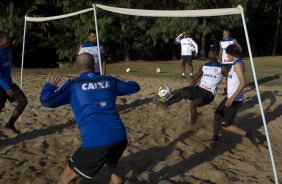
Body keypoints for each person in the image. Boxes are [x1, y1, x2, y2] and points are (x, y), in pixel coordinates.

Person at [40, 53, 140, 184]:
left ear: (76, 66)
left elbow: (46, 100)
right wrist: (120, 82)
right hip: (120, 137)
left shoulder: (72, 85)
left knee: (65, 179)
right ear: (94, 66)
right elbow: (135, 86)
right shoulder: (109, 80)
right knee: (113, 169)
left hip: (96, 141)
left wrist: (49, 86)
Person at [153, 49, 227, 126]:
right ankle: (166, 104)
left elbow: (230, 76)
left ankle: (193, 125)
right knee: (184, 92)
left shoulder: (222, 68)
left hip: (209, 94)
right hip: (199, 89)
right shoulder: (204, 66)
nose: (210, 56)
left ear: (217, 56)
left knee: (193, 104)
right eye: (209, 55)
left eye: (212, 55)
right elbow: (196, 78)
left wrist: (228, 85)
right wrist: (191, 90)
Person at [213, 44, 259, 150]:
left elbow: (243, 83)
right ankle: (215, 137)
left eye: (227, 54)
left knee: (226, 125)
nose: (227, 56)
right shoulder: (235, 63)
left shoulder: (238, 65)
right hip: (229, 97)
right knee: (217, 114)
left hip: (234, 100)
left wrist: (232, 97)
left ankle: (248, 134)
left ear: (231, 54)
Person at [0, 31, 28, 134]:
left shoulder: (7, 51)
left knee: (23, 101)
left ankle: (10, 123)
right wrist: (6, 87)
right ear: (1, 40)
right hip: (2, 85)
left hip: (9, 83)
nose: (9, 40)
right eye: (7, 38)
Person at [219, 28, 242, 95]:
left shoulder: (233, 40)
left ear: (229, 33)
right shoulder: (221, 41)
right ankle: (225, 91)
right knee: (224, 77)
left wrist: (236, 56)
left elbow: (240, 48)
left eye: (226, 33)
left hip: (232, 62)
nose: (225, 34)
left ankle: (236, 90)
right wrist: (219, 59)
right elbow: (221, 51)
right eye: (224, 33)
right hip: (224, 62)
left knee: (233, 76)